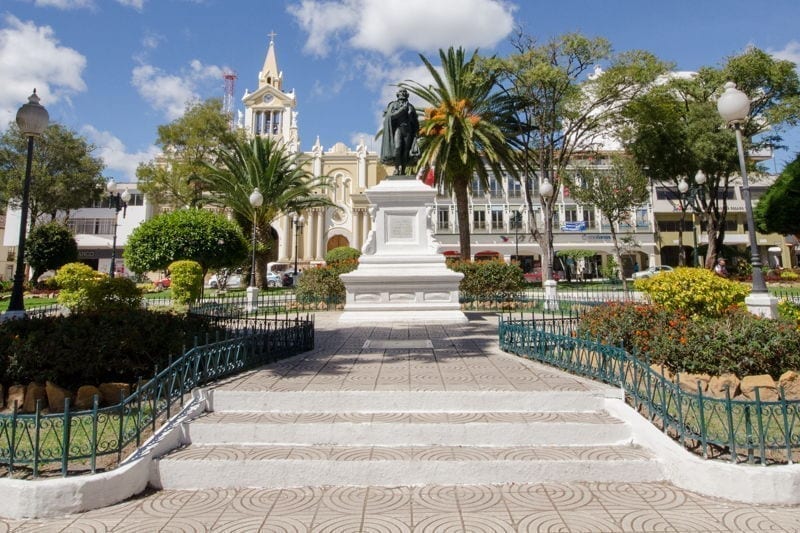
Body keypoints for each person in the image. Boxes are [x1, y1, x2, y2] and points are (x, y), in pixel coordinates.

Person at [380, 88, 419, 175]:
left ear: (407, 95)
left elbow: (415, 122)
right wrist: (402, 110)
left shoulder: (411, 106)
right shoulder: (393, 105)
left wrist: (411, 115)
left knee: (406, 151)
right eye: (401, 92)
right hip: (398, 129)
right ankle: (397, 169)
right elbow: (391, 116)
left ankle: (403, 170)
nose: (403, 93)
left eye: (404, 92)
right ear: (398, 94)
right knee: (397, 148)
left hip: (408, 130)